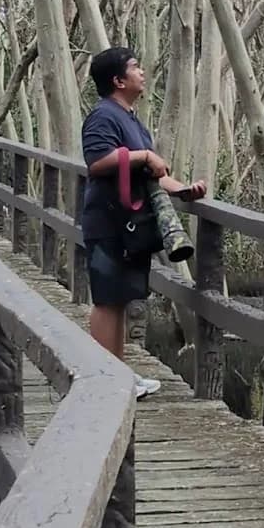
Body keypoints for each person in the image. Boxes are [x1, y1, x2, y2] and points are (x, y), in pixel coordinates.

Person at [81, 46, 206, 398]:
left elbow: (151, 175)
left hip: (129, 225)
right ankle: (104, 380)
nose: (142, 72)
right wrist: (144, 154)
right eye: (135, 68)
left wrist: (183, 189)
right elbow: (97, 162)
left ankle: (119, 377)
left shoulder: (130, 119)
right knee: (107, 300)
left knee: (120, 299)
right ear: (118, 80)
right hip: (108, 222)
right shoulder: (103, 116)